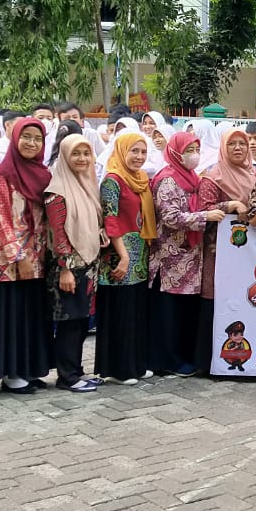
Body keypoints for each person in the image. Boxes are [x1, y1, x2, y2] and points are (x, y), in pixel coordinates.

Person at [149, 132, 226, 376]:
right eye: (188, 150)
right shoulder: (167, 179)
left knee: (184, 312)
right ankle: (168, 361)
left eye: (196, 150)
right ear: (174, 152)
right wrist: (205, 216)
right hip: (169, 257)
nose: (194, 155)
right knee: (169, 313)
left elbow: (201, 206)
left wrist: (222, 208)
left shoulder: (192, 178)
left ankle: (182, 357)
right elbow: (170, 217)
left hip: (190, 256)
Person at [0, 117, 54, 394]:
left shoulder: (44, 174)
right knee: (13, 316)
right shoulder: (3, 174)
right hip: (10, 261)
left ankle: (30, 369)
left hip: (39, 257)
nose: (31, 143)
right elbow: (0, 217)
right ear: (15, 139)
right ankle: (12, 374)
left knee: (33, 314)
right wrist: (19, 256)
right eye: (26, 137)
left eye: (37, 138)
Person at [44, 134, 104, 392]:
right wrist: (65, 268)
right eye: (75, 154)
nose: (82, 159)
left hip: (88, 266)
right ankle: (67, 376)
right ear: (64, 156)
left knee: (81, 321)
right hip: (68, 268)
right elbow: (57, 233)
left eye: (86, 153)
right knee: (69, 322)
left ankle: (76, 371)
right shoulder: (57, 191)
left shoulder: (87, 185)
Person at [96, 132, 156, 385]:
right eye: (134, 151)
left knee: (135, 311)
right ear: (121, 151)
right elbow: (110, 219)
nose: (139, 157)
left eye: (143, 152)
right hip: (119, 254)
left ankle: (135, 365)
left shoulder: (141, 179)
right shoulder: (113, 180)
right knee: (119, 311)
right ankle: (118, 369)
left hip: (138, 252)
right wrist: (122, 256)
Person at [197, 128, 255, 366]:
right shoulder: (213, 177)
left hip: (247, 251)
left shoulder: (255, 175)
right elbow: (203, 209)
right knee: (214, 297)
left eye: (242, 143)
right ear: (223, 147)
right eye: (232, 144)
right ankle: (207, 360)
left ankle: (239, 357)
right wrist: (230, 205)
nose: (238, 148)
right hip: (217, 251)